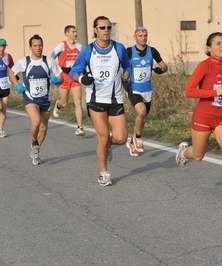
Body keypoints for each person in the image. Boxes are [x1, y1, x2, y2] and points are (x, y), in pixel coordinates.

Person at [175, 32, 222, 212]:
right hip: (204, 117)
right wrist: (213, 94)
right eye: (217, 44)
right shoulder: (204, 66)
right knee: (199, 156)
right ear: (209, 48)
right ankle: (184, 152)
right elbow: (189, 91)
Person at [70, 16, 131, 187]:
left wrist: (126, 75)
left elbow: (127, 66)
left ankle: (104, 147)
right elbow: (74, 71)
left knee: (121, 137)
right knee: (103, 138)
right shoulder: (88, 51)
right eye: (102, 27)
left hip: (115, 98)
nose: (106, 30)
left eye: (109, 27)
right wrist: (82, 79)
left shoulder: (119, 48)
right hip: (96, 99)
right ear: (95, 30)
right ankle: (103, 173)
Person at [9, 34, 63, 165]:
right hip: (30, 97)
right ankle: (34, 142)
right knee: (36, 122)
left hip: (45, 99)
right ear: (30, 47)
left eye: (40, 45)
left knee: (43, 129)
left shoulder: (49, 61)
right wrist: (16, 84)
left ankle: (36, 149)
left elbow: (61, 77)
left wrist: (57, 81)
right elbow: (11, 72)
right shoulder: (24, 61)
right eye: (35, 46)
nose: (38, 48)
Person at [124, 26, 168, 156]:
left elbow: (164, 65)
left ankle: (132, 141)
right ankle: (138, 138)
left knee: (142, 118)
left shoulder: (152, 51)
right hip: (134, 88)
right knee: (141, 112)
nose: (143, 38)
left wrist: (162, 70)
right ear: (135, 37)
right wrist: (124, 79)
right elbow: (122, 68)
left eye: (145, 36)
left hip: (147, 90)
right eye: (140, 36)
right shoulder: (129, 52)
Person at [51, 25, 85, 136]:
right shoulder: (61, 46)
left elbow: (84, 60)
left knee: (78, 102)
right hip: (64, 77)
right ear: (67, 34)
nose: (75, 33)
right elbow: (50, 60)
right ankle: (58, 105)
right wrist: (58, 71)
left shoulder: (79, 46)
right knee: (64, 102)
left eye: (76, 31)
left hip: (74, 76)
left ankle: (79, 127)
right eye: (73, 32)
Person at [0, 38, 15, 138]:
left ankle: (0, 129)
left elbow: (13, 68)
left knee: (4, 109)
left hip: (4, 84)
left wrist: (15, 76)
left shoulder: (8, 56)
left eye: (4, 46)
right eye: (1, 46)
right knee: (0, 107)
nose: (2, 48)